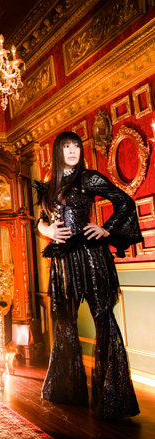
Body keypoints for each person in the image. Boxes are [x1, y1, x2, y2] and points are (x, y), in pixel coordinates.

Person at [34, 131, 142, 419]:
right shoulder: (49, 185)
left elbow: (125, 202)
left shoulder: (89, 178)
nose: (73, 151)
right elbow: (40, 221)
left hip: (91, 256)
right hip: (62, 260)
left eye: (76, 146)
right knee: (65, 322)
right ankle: (68, 392)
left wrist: (106, 229)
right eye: (67, 147)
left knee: (103, 318)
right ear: (58, 151)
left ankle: (114, 398)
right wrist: (48, 230)